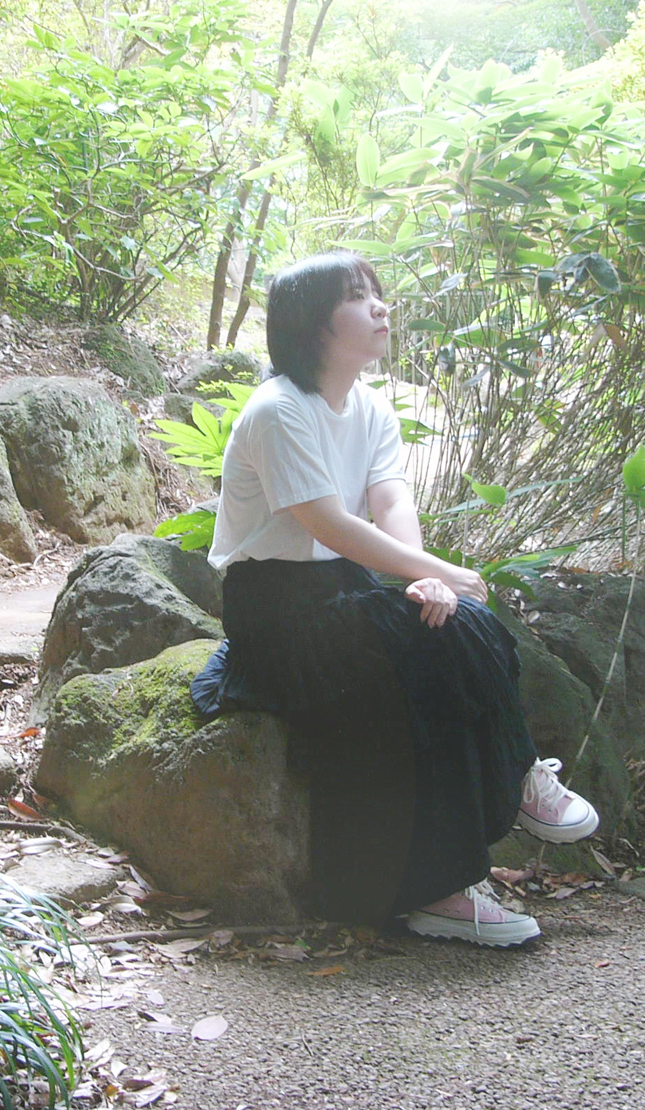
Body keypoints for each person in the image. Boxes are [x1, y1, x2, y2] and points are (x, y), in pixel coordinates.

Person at [189, 251, 599, 947]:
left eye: (377, 293)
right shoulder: (278, 410)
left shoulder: (371, 406)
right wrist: (439, 571)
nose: (380, 307)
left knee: (455, 633)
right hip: (279, 610)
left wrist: (422, 579)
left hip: (344, 589)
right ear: (313, 323)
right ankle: (511, 789)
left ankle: (449, 882)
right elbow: (329, 523)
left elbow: (391, 501)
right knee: (450, 641)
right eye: (357, 296)